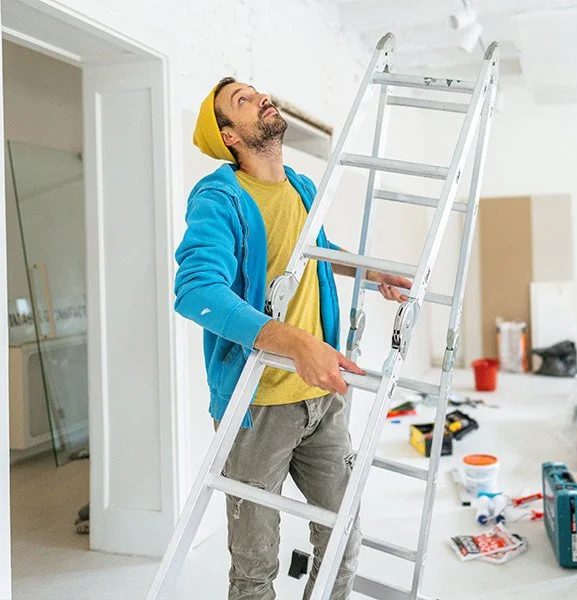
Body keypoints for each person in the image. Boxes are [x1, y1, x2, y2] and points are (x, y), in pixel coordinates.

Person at [174, 77, 412, 600]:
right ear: (230, 135)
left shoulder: (301, 187)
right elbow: (196, 290)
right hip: (259, 407)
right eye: (242, 101)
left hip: (321, 400)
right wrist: (296, 343)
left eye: (257, 91)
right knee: (256, 564)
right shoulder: (221, 197)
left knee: (342, 538)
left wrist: (371, 274)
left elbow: (317, 252)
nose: (261, 97)